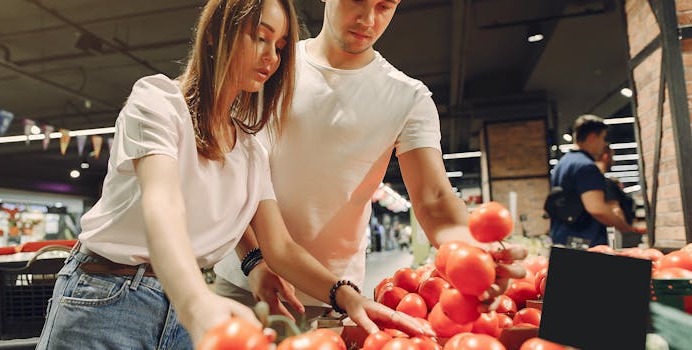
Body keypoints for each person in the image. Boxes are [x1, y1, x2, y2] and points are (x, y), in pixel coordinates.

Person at [37, 1, 426, 349]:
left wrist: (346, 295)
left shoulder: (249, 150)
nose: (271, 57)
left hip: (181, 312)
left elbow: (281, 248)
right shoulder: (157, 102)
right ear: (216, 34)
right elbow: (164, 207)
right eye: (260, 37)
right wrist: (196, 302)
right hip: (107, 295)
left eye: (279, 47)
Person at [214, 0, 527, 320]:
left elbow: (433, 199)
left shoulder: (408, 97)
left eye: (383, 6)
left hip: (335, 294)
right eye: (357, 1)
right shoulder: (269, 65)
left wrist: (472, 252)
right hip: (244, 279)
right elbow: (231, 173)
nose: (367, 19)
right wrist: (254, 260)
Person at [549, 115, 642, 247]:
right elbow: (597, 209)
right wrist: (626, 228)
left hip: (564, 240)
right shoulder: (586, 166)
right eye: (603, 138)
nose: (604, 144)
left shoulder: (563, 163)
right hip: (585, 243)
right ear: (593, 137)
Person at [595, 144, 640, 247]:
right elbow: (616, 211)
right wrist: (628, 231)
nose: (613, 161)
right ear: (606, 156)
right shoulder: (606, 183)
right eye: (612, 156)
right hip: (617, 236)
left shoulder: (593, 183)